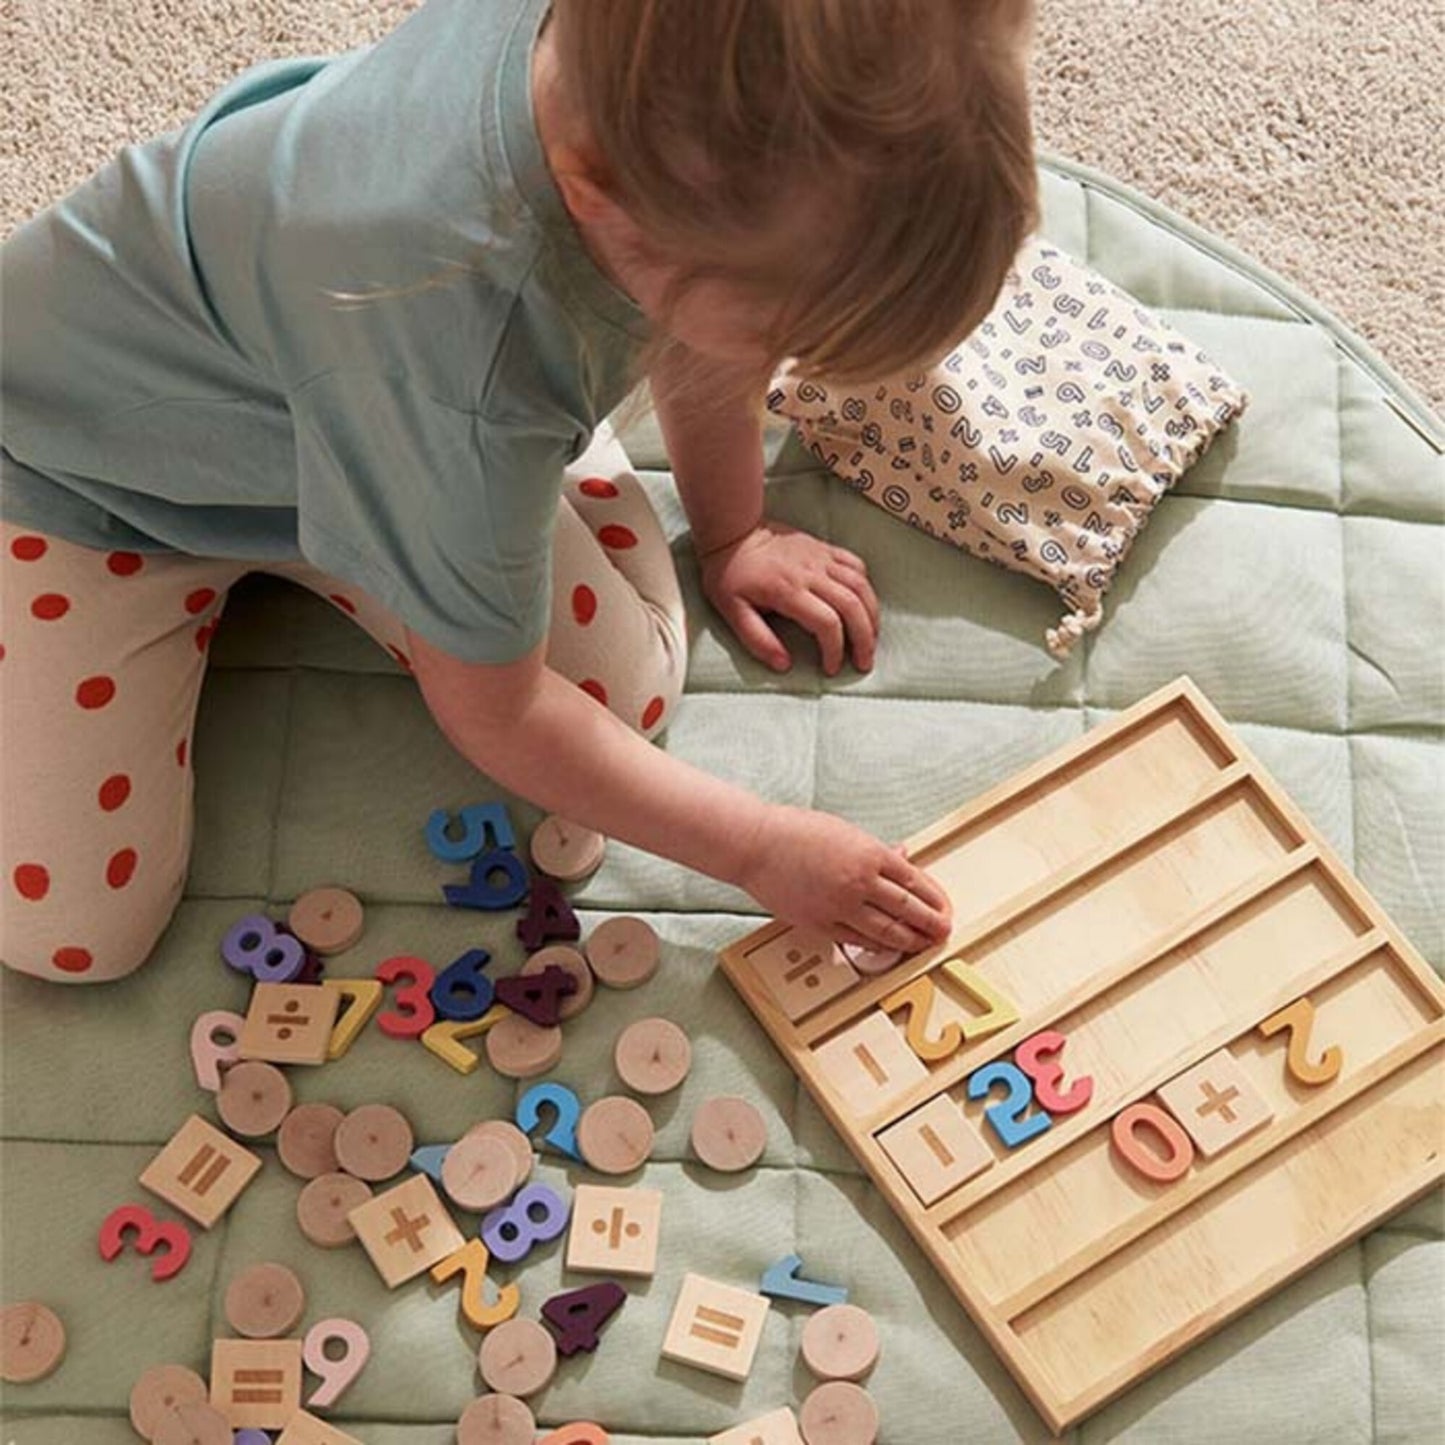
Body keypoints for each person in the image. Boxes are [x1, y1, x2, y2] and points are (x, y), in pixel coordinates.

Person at [0, 0, 1040, 982]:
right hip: (77, 482)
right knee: (76, 931)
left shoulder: (629, 67)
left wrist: (733, 533)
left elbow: (703, 331)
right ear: (604, 196)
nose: (780, 373)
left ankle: (425, 520)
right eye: (782, 343)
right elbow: (495, 717)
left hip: (347, 422)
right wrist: (759, 845)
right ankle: (433, 516)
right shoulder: (466, 379)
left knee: (620, 696)